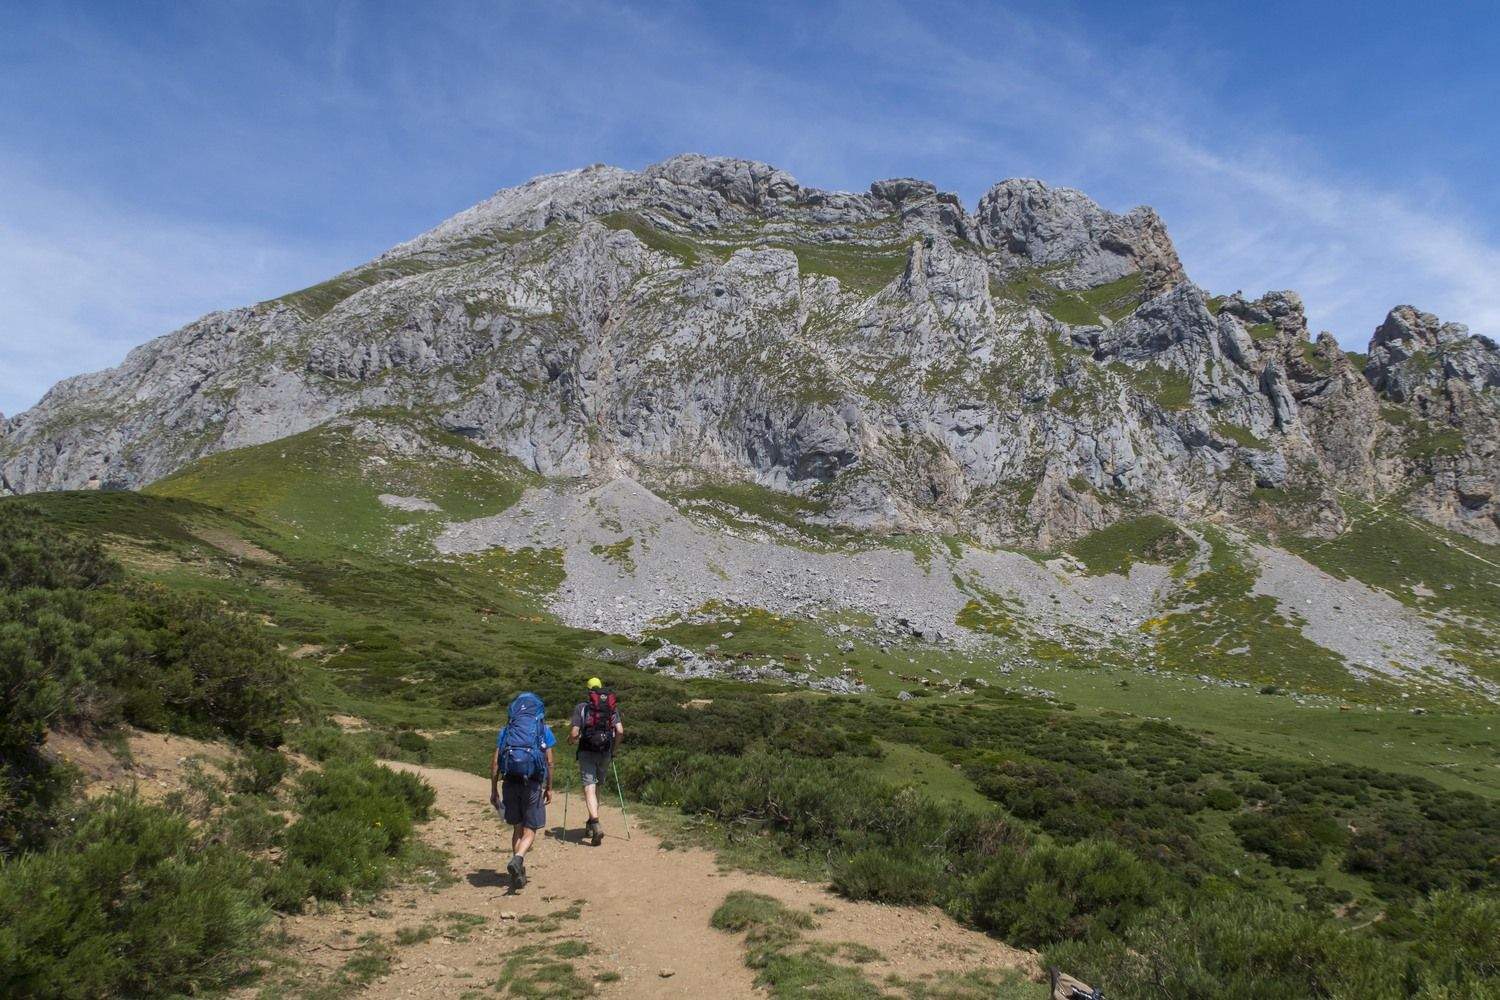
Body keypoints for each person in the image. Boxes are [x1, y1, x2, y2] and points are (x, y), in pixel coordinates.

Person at [490, 691, 556, 889]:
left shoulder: (506, 731)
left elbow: (495, 764)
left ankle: (517, 869)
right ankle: (518, 859)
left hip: (509, 782)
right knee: (531, 829)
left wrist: (494, 790)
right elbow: (550, 761)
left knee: (517, 828)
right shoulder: (543, 729)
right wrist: (549, 787)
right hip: (533, 783)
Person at [568, 677, 624, 846]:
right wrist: (614, 750)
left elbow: (574, 733)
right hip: (605, 751)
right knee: (597, 786)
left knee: (589, 787)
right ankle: (592, 821)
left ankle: (595, 823)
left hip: (587, 751)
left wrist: (571, 740)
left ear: (588, 691)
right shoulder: (612, 708)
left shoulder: (582, 708)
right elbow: (620, 731)